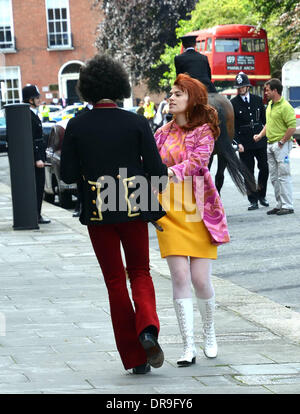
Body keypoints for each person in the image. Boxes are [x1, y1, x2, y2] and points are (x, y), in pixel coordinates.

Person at [60, 54, 168, 375]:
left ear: (88, 89)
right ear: (119, 86)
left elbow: (66, 175)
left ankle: (135, 359)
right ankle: (147, 327)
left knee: (114, 280)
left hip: (98, 211)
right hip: (134, 208)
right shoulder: (136, 121)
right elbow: (157, 170)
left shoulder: (77, 125)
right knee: (140, 272)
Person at [154, 74, 230, 367]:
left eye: (178, 94)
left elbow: (199, 163)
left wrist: (171, 172)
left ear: (192, 99)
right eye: (170, 93)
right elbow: (148, 164)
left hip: (199, 209)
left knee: (200, 279)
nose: (171, 98)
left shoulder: (204, 132)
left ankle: (209, 332)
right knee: (179, 277)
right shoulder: (160, 133)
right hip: (169, 212)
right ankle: (188, 346)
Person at [254, 78, 296, 215]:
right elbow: (268, 124)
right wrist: (260, 135)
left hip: (281, 145)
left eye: (267, 90)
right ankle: (279, 204)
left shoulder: (285, 106)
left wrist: (283, 141)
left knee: (283, 175)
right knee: (274, 177)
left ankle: (288, 205)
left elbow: (292, 127)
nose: (265, 93)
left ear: (275, 90)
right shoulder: (270, 105)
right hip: (270, 144)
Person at [231, 72, 269, 211]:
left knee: (264, 167)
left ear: (248, 86)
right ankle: (253, 200)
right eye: (238, 87)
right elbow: (233, 126)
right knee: (248, 171)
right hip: (244, 142)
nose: (240, 89)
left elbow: (264, 121)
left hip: (259, 138)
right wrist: (237, 142)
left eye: (242, 86)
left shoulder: (257, 100)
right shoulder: (233, 103)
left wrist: (265, 136)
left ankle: (262, 195)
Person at [22, 84, 51, 225]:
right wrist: (37, 158)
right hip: (36, 159)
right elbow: (32, 139)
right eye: (36, 97)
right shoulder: (28, 115)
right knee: (37, 187)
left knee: (40, 187)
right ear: (30, 100)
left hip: (39, 156)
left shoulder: (33, 114)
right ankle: (36, 215)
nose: (39, 99)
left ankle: (37, 214)